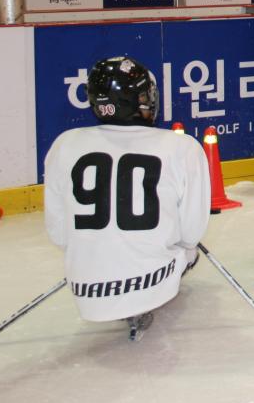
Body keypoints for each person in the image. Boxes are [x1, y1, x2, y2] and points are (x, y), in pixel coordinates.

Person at [43, 56, 209, 330]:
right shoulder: (182, 147)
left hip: (86, 290)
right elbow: (191, 234)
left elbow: (59, 235)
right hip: (154, 282)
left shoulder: (64, 144)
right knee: (188, 247)